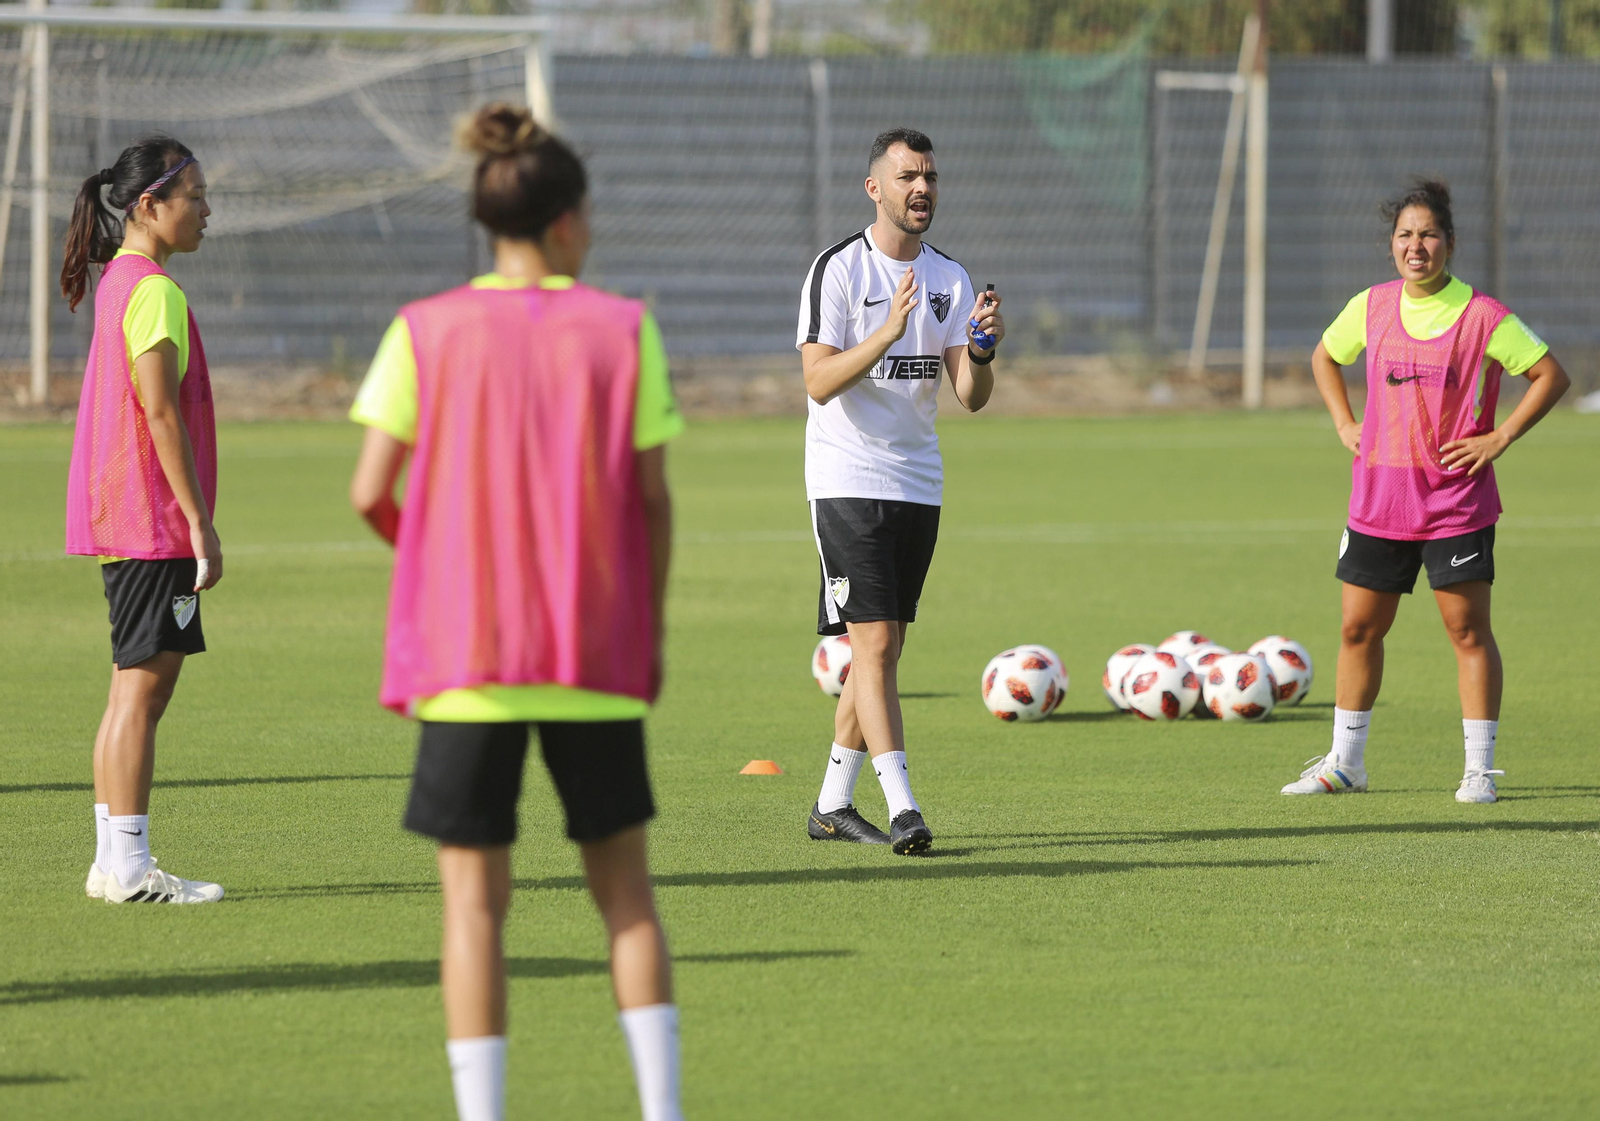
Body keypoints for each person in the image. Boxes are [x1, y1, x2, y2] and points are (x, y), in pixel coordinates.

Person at [348, 103, 685, 1121]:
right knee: (626, 897)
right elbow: (652, 500)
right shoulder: (623, 327)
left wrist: (443, 562)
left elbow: (369, 490)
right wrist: (647, 624)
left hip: (466, 658)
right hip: (592, 650)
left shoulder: (424, 328)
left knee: (473, 907)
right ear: (568, 222)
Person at [1283, 178, 1569, 803]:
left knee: (1467, 632)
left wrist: (1501, 436)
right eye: (1405, 235)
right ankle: (1346, 765)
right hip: (1379, 501)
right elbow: (1325, 357)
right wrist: (1345, 423)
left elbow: (1550, 374)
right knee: (1358, 630)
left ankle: (1478, 771)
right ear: (1392, 244)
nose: (1416, 246)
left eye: (1429, 235)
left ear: (1450, 243)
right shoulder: (1371, 305)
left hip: (1454, 503)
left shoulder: (1483, 315)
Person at [797, 127, 1003, 855]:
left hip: (918, 482)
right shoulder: (838, 270)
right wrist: (886, 332)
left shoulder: (949, 276)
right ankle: (904, 806)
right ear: (874, 188)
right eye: (908, 176)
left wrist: (982, 350)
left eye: (931, 177)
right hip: (846, 479)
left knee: (881, 652)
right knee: (876, 642)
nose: (922, 188)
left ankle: (831, 804)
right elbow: (818, 380)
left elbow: (970, 395)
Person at [63, 136, 224, 905]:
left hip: (124, 518)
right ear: (149, 205)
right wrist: (199, 521)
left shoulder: (120, 281)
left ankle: (111, 861)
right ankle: (130, 866)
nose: (207, 210)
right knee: (142, 695)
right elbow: (159, 411)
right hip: (151, 521)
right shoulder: (153, 290)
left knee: (128, 690)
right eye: (195, 195)